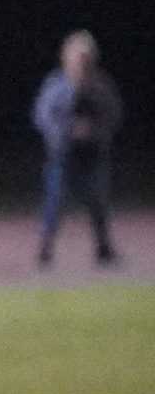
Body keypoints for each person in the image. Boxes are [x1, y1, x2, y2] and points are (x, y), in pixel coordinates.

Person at [34, 30, 123, 268]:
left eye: (86, 58)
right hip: (63, 155)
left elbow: (113, 115)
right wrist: (64, 132)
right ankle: (45, 249)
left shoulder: (101, 87)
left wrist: (94, 131)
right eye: (77, 58)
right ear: (66, 58)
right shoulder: (56, 86)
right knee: (56, 200)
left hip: (92, 154)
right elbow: (42, 116)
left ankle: (103, 248)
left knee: (98, 200)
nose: (82, 63)